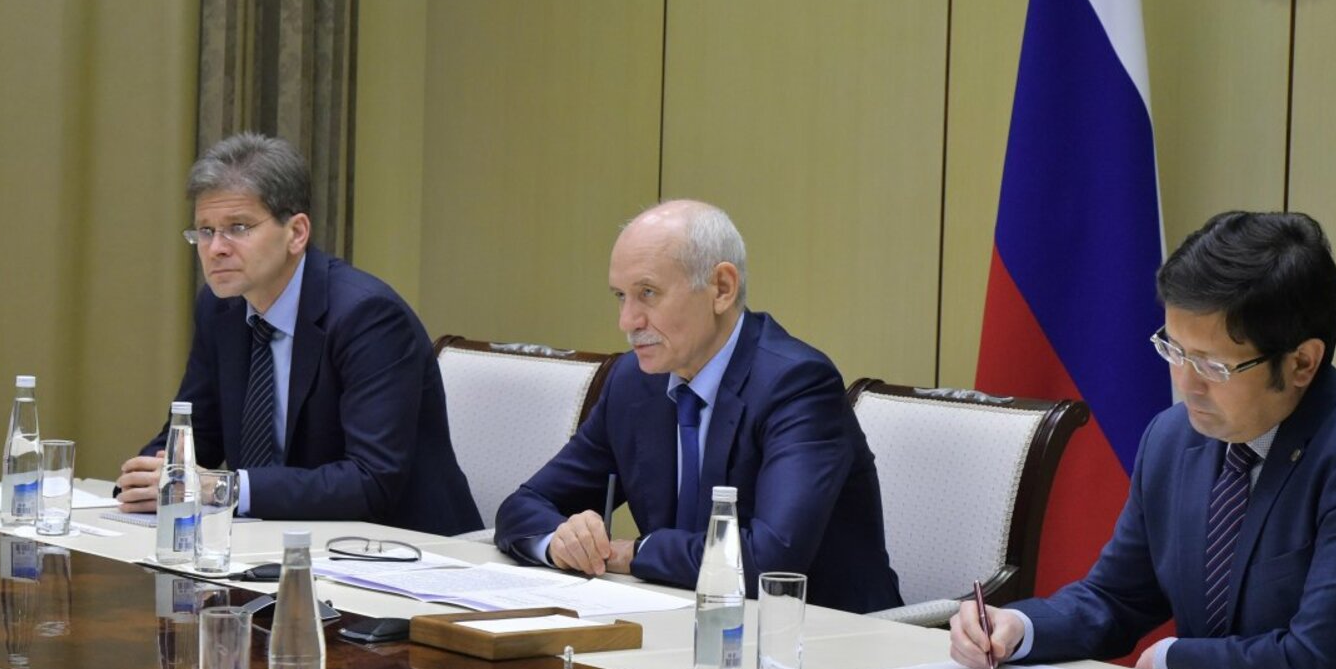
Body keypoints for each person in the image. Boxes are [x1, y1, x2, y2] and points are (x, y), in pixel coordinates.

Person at [949, 211, 1336, 669]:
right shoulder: (1174, 438)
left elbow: (1316, 665)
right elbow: (1118, 597)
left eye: (1213, 365)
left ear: (1302, 363)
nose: (1187, 385)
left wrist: (1172, 657)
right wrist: (1020, 626)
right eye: (1174, 350)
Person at [493, 200, 902, 614]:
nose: (627, 321)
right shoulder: (633, 382)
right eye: (620, 296)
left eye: (647, 293)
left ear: (721, 289)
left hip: (818, 635)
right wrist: (563, 541)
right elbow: (524, 506)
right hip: (680, 623)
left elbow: (768, 561)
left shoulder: (797, 384)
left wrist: (634, 552)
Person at [115, 133, 482, 535]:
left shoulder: (368, 317)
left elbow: (371, 481)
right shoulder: (221, 308)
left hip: (401, 549)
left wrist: (223, 488)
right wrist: (150, 477)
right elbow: (197, 432)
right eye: (204, 230)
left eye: (238, 227)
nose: (216, 248)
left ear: (296, 233)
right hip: (272, 541)